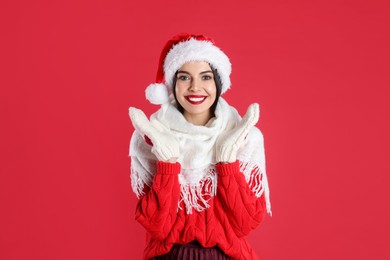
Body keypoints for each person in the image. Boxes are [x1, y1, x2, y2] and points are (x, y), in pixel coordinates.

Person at [128, 33, 272, 260]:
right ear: (173, 84)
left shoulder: (244, 137)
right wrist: (167, 163)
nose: (195, 87)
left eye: (206, 77)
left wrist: (227, 162)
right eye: (184, 78)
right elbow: (157, 226)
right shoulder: (151, 137)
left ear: (218, 82)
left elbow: (246, 222)